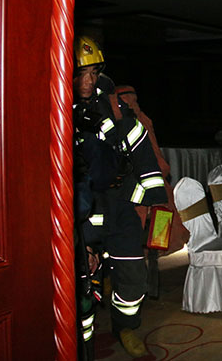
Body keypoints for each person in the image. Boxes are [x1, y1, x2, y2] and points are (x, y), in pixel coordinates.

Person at [72, 36, 168, 358]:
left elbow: (143, 154)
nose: (88, 81)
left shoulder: (114, 106)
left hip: (121, 205)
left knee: (134, 278)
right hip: (83, 212)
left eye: (93, 72)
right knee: (83, 287)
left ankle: (125, 326)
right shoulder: (57, 112)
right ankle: (81, 348)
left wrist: (152, 203)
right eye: (81, 74)